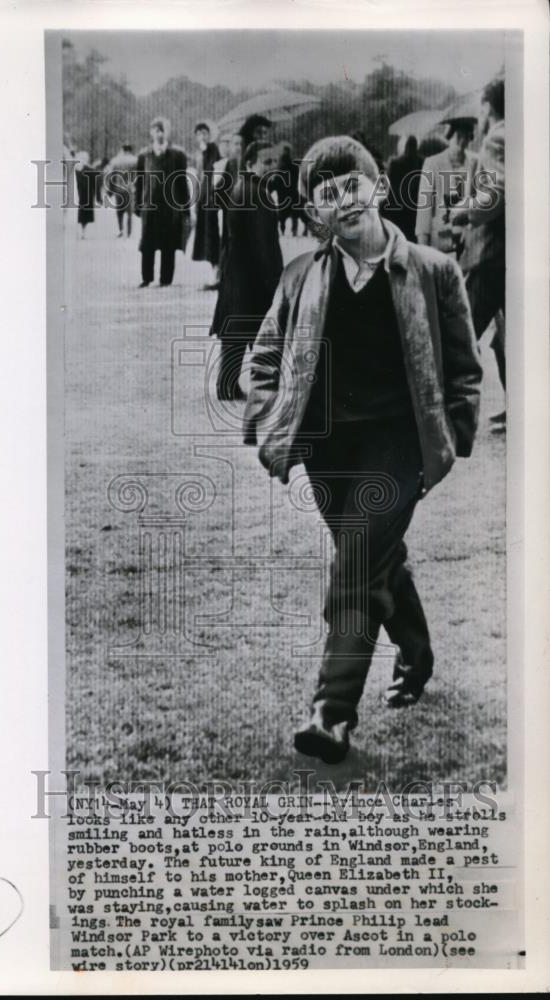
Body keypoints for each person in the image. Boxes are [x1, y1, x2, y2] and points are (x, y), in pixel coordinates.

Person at [242, 135, 482, 764]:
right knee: (374, 558)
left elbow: (463, 367)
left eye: (352, 185)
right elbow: (263, 359)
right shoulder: (300, 277)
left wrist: (451, 440)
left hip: (400, 445)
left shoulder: (433, 269)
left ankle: (331, 713)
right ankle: (418, 651)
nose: (342, 202)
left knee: (353, 566)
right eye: (326, 195)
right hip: (329, 451)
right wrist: (272, 418)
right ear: (315, 213)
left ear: (376, 187)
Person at [211, 140, 283, 401]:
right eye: (267, 162)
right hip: (249, 278)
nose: (273, 167)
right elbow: (264, 247)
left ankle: (228, 385)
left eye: (275, 161)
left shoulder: (247, 188)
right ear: (250, 164)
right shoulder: (256, 194)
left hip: (238, 276)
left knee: (236, 333)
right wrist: (275, 282)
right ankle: (231, 386)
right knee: (242, 332)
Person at [452, 75, 506, 419]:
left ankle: (441, 409)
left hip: (490, 254)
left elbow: (497, 192)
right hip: (514, 254)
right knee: (510, 335)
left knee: (460, 331)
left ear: (489, 106)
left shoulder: (498, 136)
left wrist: (463, 212)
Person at [134, 116, 190, 287]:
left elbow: (182, 182)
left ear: (168, 133)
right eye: (156, 130)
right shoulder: (144, 155)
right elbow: (140, 182)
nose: (159, 134)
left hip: (170, 206)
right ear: (151, 133)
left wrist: (185, 208)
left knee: (169, 244)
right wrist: (137, 204)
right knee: (147, 244)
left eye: (163, 130)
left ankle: (166, 278)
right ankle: (147, 277)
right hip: (150, 205)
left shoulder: (178, 155)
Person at [415, 119, 476, 256]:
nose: (462, 142)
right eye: (458, 137)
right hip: (441, 245)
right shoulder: (432, 163)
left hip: (469, 245)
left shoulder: (476, 162)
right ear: (450, 136)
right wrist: (424, 253)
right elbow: (424, 212)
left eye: (466, 137)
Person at [191, 122, 222, 289]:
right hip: (203, 199)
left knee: (213, 237)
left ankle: (217, 274)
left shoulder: (213, 149)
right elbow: (197, 176)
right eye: (199, 134)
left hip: (213, 199)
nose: (203, 137)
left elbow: (213, 169)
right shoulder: (198, 153)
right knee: (207, 238)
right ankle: (214, 271)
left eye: (205, 133)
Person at [383, 134, 423, 242]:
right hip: (415, 210)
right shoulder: (422, 162)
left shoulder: (395, 163)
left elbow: (389, 188)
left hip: (399, 210)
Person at [105, 143, 137, 238]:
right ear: (130, 150)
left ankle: (120, 230)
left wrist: (110, 190)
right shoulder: (135, 160)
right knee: (130, 212)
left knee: (119, 211)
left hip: (118, 188)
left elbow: (110, 176)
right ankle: (129, 232)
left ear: (122, 149)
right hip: (130, 188)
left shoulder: (115, 160)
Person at [74, 151, 99, 238]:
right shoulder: (90, 169)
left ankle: (81, 230)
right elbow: (94, 185)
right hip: (88, 195)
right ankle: (84, 230)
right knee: (86, 213)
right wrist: (97, 196)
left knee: (80, 212)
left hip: (79, 194)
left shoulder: (76, 170)